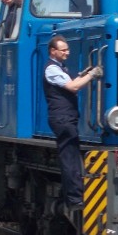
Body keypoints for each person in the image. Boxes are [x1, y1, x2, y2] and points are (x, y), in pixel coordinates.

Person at [43, 34, 102, 211]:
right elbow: (73, 87)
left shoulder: (60, 68)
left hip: (66, 118)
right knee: (69, 159)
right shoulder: (51, 69)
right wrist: (92, 75)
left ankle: (76, 196)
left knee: (72, 157)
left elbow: (72, 83)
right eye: (64, 50)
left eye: (68, 49)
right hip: (62, 118)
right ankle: (75, 199)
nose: (67, 52)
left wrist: (84, 74)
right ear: (53, 51)